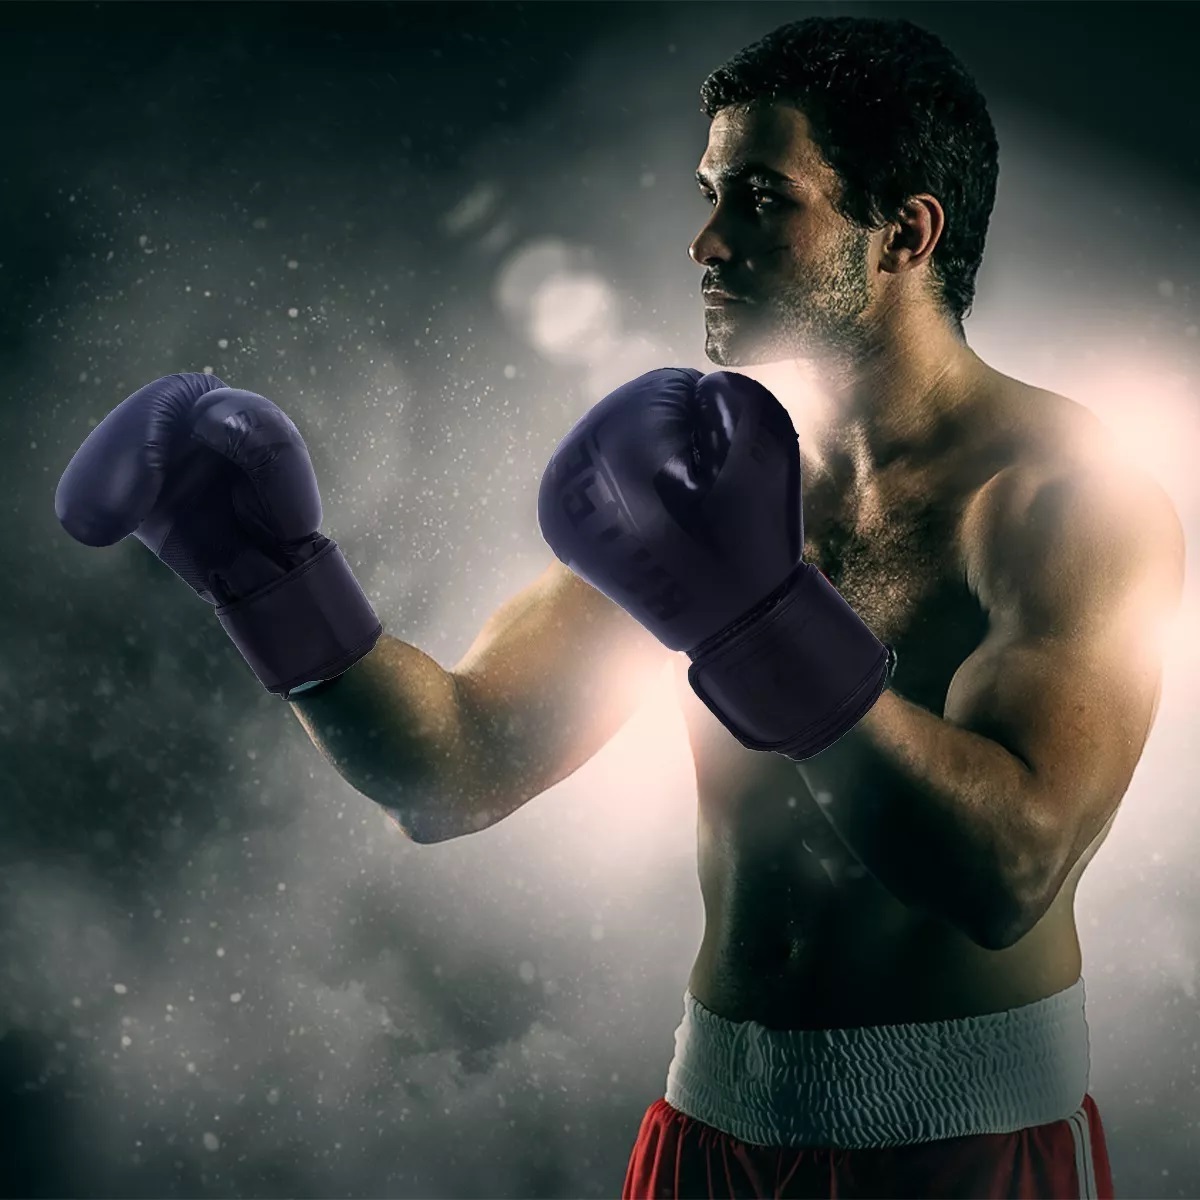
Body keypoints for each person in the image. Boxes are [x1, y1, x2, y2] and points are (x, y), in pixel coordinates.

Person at [54, 16, 1184, 1200]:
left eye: (760, 199)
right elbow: (454, 768)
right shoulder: (720, 477)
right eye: (708, 194)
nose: (707, 242)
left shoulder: (1062, 501)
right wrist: (271, 577)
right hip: (710, 1135)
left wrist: (763, 618)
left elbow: (1008, 874)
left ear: (905, 232)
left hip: (960, 1151)